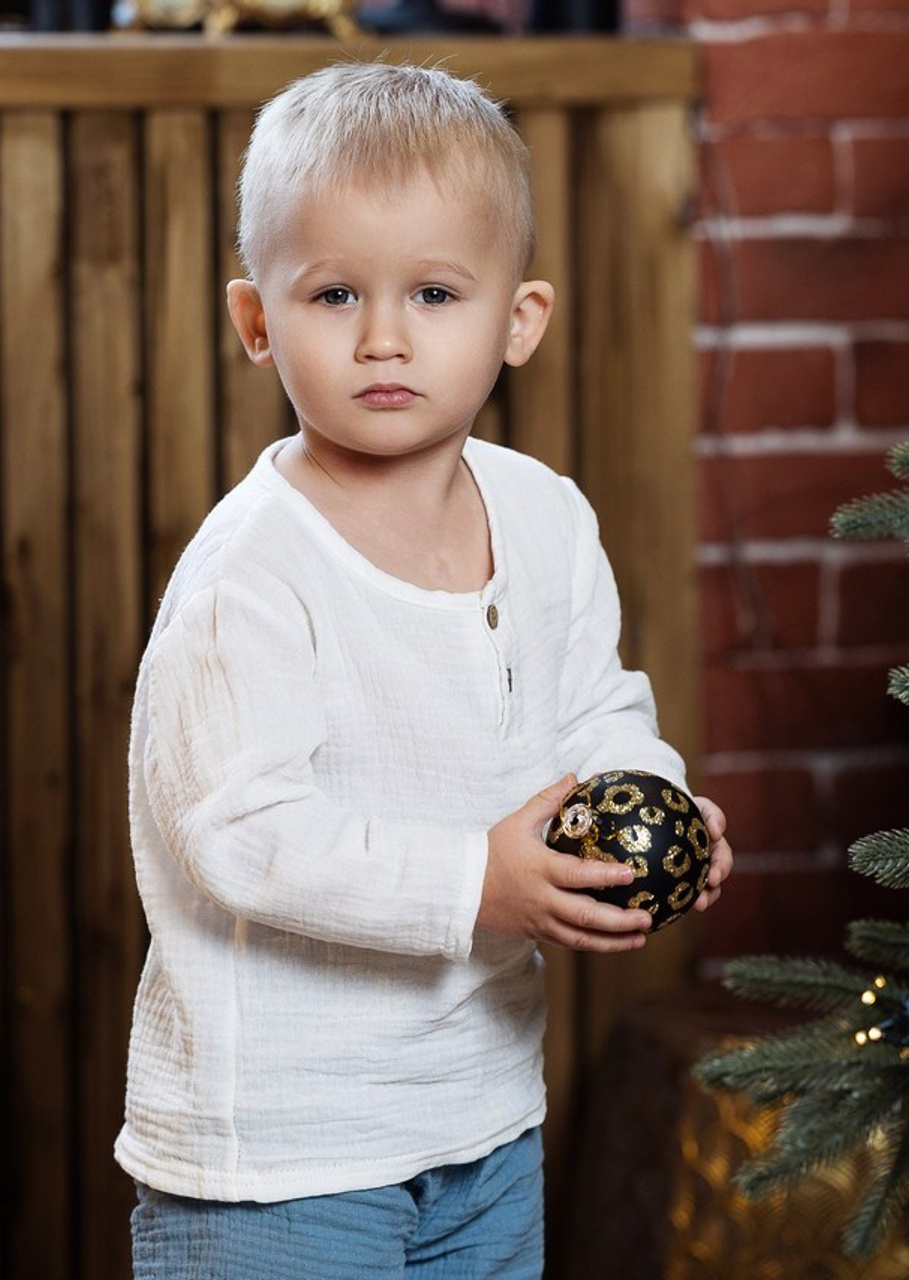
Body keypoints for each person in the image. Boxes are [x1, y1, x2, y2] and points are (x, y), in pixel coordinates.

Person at [116, 59, 732, 1278]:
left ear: (519, 319)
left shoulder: (545, 516)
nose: (384, 337)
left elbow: (595, 706)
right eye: (335, 292)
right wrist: (472, 879)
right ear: (256, 322)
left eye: (436, 292)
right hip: (281, 1158)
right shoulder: (252, 573)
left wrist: (650, 801)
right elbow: (240, 831)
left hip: (481, 1118)